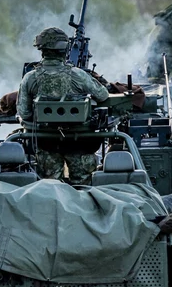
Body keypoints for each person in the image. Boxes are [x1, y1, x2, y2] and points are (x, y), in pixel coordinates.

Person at [17, 27, 110, 185]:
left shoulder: (30, 78)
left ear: (42, 50)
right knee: (84, 188)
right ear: (65, 49)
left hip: (45, 145)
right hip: (79, 144)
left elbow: (24, 113)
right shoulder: (78, 75)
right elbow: (103, 95)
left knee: (49, 189)